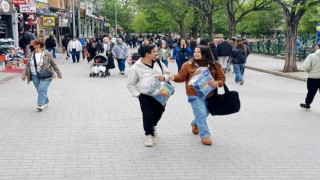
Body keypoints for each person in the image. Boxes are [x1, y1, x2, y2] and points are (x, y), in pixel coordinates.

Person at [169, 45, 225, 145]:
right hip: (194, 94)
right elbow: (181, 77)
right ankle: (205, 135)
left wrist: (217, 83)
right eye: (195, 52)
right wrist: (173, 77)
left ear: (205, 53)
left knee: (206, 112)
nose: (196, 54)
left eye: (198, 52)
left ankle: (195, 123)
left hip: (209, 93)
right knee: (201, 113)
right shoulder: (188, 65)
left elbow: (222, 78)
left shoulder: (215, 65)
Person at [127, 44, 171, 147]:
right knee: (147, 115)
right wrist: (139, 95)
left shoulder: (158, 62)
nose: (157, 53)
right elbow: (130, 84)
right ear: (147, 54)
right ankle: (149, 135)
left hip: (161, 93)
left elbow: (168, 73)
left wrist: (164, 77)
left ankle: (153, 125)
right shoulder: (135, 68)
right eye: (154, 52)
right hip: (145, 95)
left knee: (160, 111)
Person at [21, 38, 63, 111]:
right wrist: (24, 75)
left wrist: (59, 73)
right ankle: (46, 101)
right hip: (34, 75)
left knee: (41, 89)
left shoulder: (47, 54)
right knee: (39, 89)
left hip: (46, 74)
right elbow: (27, 65)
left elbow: (54, 64)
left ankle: (40, 104)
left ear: (40, 45)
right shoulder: (31, 55)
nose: (35, 46)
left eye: (36, 44)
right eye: (34, 45)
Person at [300, 42, 320, 109]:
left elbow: (306, 67)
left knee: (311, 92)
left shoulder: (311, 56)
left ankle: (307, 104)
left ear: (317, 46)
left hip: (313, 77)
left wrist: (310, 72)